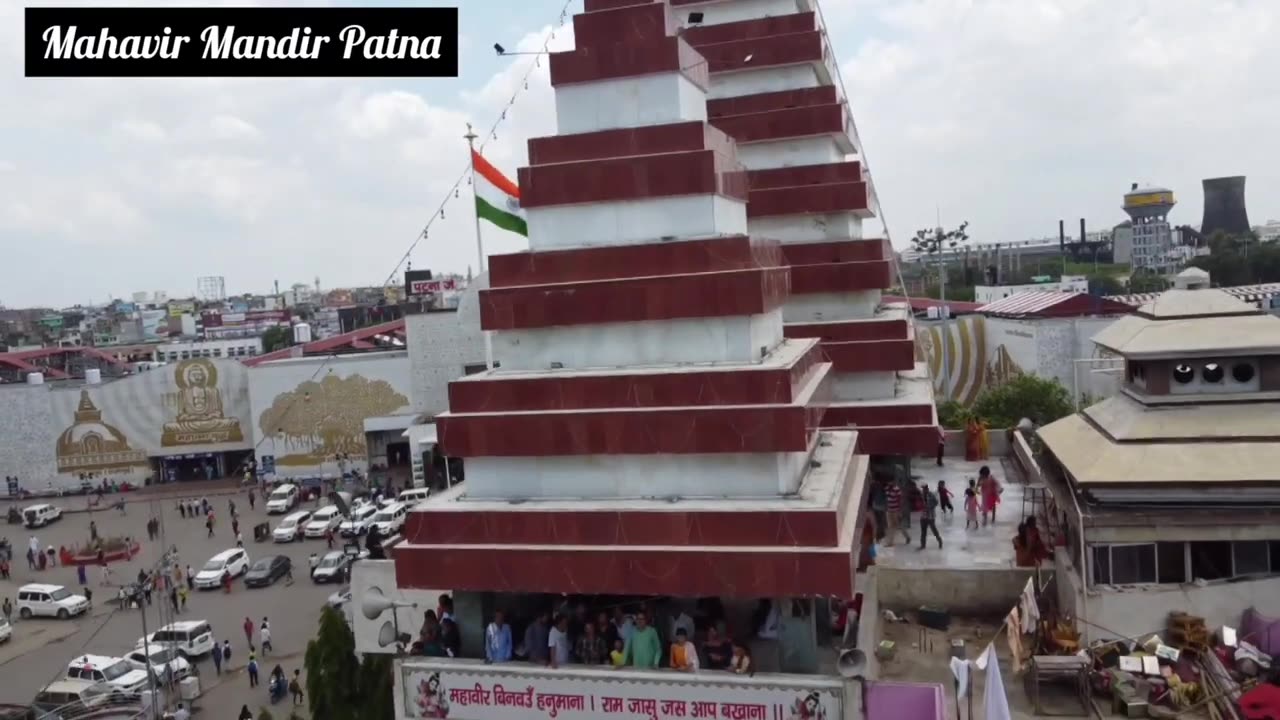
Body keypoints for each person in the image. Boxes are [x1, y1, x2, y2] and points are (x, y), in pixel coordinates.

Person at [919, 483, 943, 550]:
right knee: (923, 532)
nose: (923, 490)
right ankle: (923, 545)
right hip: (923, 516)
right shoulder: (921, 495)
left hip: (930, 516)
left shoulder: (931, 495)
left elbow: (936, 502)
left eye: (924, 488)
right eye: (922, 489)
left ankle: (939, 540)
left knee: (934, 530)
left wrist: (930, 507)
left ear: (927, 489)